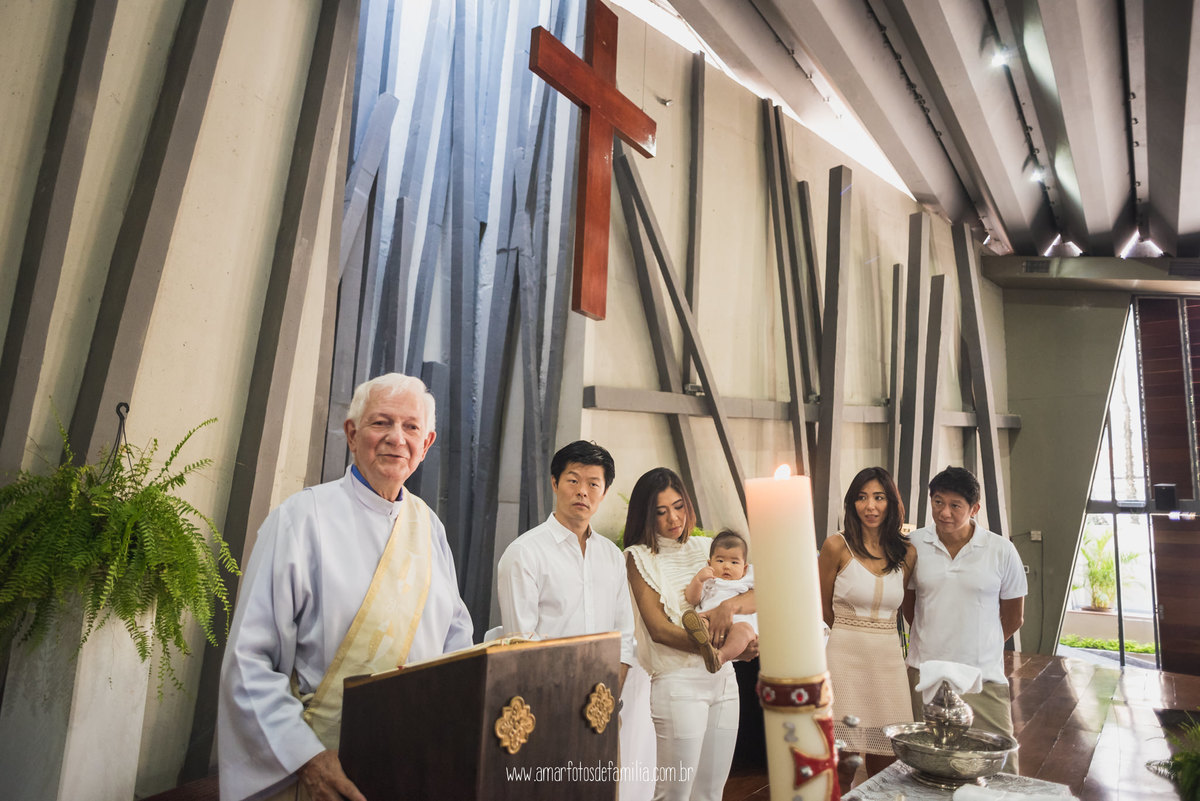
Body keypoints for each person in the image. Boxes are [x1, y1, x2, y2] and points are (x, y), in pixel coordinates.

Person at [218, 373, 474, 801]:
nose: (397, 438)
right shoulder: (301, 519)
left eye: (411, 427)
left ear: (426, 443)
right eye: (381, 422)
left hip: (413, 763)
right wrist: (307, 759)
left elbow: (456, 639)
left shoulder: (429, 527)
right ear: (352, 434)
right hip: (321, 770)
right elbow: (249, 658)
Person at [624, 467, 758, 801]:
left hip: (723, 680)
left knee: (711, 792)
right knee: (674, 794)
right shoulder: (637, 558)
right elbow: (658, 630)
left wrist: (729, 609)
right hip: (677, 683)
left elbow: (758, 590)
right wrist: (711, 646)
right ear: (646, 515)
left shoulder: (706, 547)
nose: (674, 518)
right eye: (661, 511)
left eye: (678, 506)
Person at [902, 466, 1027, 770]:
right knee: (928, 763)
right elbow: (909, 606)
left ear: (974, 509)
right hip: (926, 672)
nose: (944, 512)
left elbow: (1014, 616)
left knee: (998, 765)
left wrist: (982, 644)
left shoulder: (1001, 549)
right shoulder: (913, 545)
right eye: (938, 502)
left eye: (955, 505)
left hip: (981, 676)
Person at [495, 440, 635, 692]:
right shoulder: (524, 553)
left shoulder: (612, 556)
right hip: (545, 692)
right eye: (573, 480)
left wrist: (611, 696)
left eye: (593, 484)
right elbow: (521, 642)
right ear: (554, 483)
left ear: (604, 492)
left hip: (601, 694)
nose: (582, 491)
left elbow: (623, 634)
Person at [818, 467, 915, 781]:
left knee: (887, 762)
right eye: (862, 498)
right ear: (852, 503)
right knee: (843, 764)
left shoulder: (907, 552)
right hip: (844, 660)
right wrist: (850, 630)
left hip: (888, 662)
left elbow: (900, 607)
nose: (870, 506)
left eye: (879, 497)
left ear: (891, 503)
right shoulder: (836, 546)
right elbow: (823, 607)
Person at [683, 530, 758, 673]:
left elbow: (766, 591)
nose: (726, 566)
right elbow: (692, 599)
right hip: (710, 624)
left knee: (745, 630)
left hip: (738, 626)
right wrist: (698, 580)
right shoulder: (709, 579)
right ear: (709, 563)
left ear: (744, 568)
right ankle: (705, 645)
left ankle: (719, 657)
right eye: (720, 561)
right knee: (700, 621)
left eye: (734, 562)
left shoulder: (746, 578)